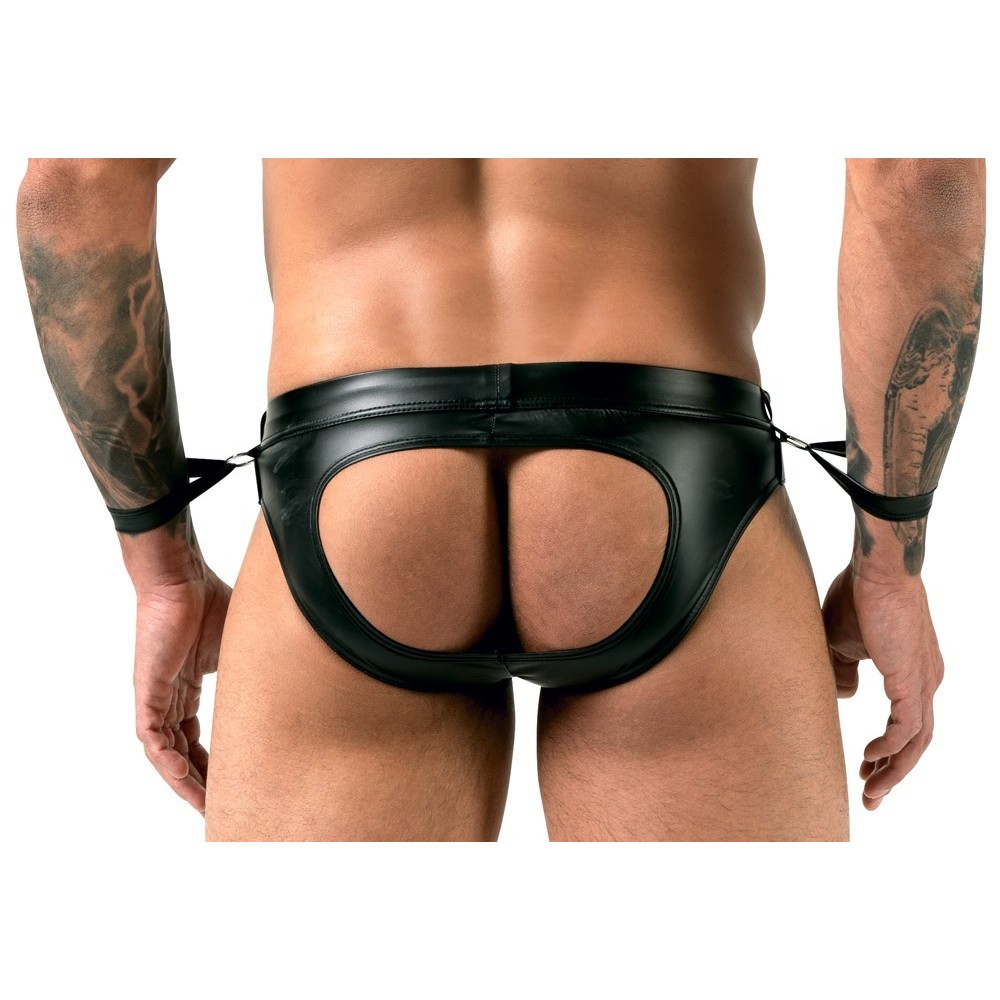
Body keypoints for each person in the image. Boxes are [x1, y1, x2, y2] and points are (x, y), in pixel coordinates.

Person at [16, 158, 984, 842]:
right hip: (667, 451)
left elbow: (74, 187)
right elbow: (918, 175)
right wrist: (888, 564)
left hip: (356, 477)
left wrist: (161, 568)